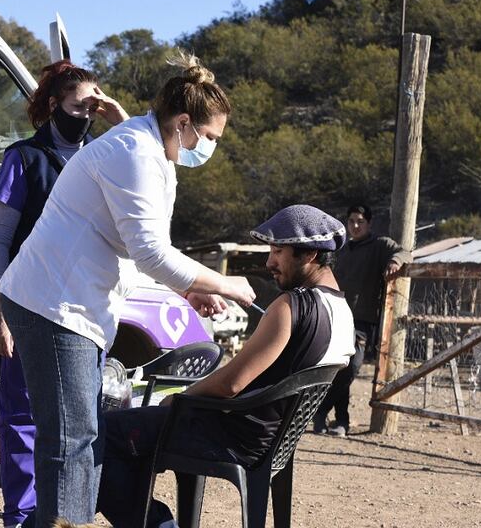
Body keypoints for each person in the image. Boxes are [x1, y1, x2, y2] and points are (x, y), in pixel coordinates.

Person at [0, 53, 256, 528]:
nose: (210, 147)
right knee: (72, 438)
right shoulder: (134, 153)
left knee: (80, 435)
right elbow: (152, 252)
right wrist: (224, 282)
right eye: (211, 137)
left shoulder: (153, 153)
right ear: (183, 122)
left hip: (76, 305)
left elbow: (144, 246)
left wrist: (189, 291)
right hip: (52, 303)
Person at [96, 204, 356, 528]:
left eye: (278, 251)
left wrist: (180, 397)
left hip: (233, 436)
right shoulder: (342, 310)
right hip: (272, 439)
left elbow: (230, 385)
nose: (269, 262)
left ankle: (159, 524)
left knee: (102, 436)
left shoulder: (291, 306)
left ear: (310, 255)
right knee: (137, 430)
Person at [0, 60, 129, 528]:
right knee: (24, 415)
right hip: (29, 304)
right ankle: (23, 515)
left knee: (79, 420)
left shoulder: (102, 157)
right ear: (52, 106)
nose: (86, 114)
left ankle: (66, 514)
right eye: (78, 106)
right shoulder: (24, 158)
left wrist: (120, 120)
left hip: (84, 313)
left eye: (94, 106)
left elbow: (144, 170)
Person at [315, 203, 412, 436]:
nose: (355, 226)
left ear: (369, 223)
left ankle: (320, 412)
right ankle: (341, 421)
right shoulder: (343, 250)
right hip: (336, 318)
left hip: (361, 322)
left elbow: (405, 251)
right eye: (351, 221)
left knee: (351, 368)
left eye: (360, 221)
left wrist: (395, 262)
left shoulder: (379, 245)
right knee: (337, 370)